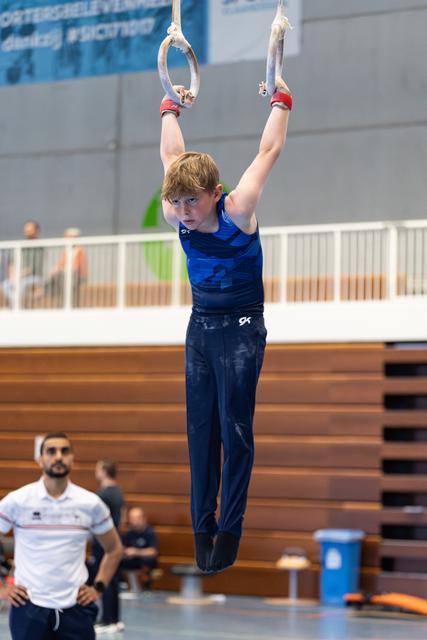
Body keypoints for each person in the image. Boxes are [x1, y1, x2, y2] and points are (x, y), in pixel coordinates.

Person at [159, 78, 292, 573]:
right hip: (200, 327)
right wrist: (169, 109)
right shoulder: (179, 204)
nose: (184, 213)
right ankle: (202, 526)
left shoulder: (238, 208)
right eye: (177, 203)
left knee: (233, 428)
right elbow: (172, 154)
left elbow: (269, 148)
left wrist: (281, 100)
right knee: (200, 431)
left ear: (215, 193)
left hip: (241, 328)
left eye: (192, 202)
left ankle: (230, 525)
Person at [0, 432, 123, 640]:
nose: (58, 456)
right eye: (51, 451)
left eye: (65, 451)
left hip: (76, 610)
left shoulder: (90, 504)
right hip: (29, 609)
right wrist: (2, 588)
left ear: (72, 458)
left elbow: (114, 549)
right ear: (40, 460)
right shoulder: (18, 501)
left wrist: (98, 587)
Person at [89, 460, 125, 635]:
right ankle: (115, 619)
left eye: (97, 469)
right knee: (114, 579)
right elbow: (123, 518)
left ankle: (107, 620)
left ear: (103, 471)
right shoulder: (118, 491)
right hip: (115, 539)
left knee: (105, 578)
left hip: (103, 543)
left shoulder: (102, 494)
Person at [2, 220, 44, 307]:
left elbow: (33, 267)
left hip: (34, 277)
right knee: (5, 284)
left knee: (21, 284)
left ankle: (16, 308)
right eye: (26, 229)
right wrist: (12, 275)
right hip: (18, 277)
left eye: (30, 230)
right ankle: (16, 306)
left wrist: (19, 275)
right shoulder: (21, 246)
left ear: (36, 231)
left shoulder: (40, 247)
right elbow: (12, 263)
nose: (27, 232)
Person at [44, 227, 87, 307]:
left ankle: (66, 304)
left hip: (76, 276)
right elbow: (61, 263)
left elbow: (77, 267)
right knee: (56, 277)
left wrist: (60, 269)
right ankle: (48, 293)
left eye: (68, 237)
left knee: (61, 279)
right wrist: (55, 268)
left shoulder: (79, 250)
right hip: (65, 275)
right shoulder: (67, 250)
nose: (65, 239)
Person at [121, 507, 158, 589]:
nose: (134, 521)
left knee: (149, 560)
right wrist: (125, 552)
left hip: (143, 562)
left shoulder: (149, 532)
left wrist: (136, 552)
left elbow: (153, 551)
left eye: (137, 518)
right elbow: (123, 548)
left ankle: (145, 586)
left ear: (143, 518)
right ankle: (122, 585)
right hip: (131, 561)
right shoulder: (129, 533)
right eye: (132, 519)